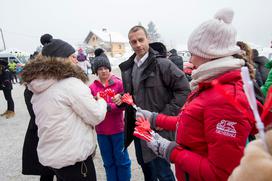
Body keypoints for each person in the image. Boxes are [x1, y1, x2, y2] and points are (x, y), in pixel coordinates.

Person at [136, 8, 263, 181]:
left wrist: (170, 150)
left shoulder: (225, 99)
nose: (191, 60)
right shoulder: (211, 86)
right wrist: (154, 118)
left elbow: (221, 174)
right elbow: (191, 122)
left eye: (194, 53)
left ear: (211, 55)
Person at [21, 34, 107, 181]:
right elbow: (96, 115)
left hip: (54, 159)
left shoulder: (38, 85)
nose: (76, 59)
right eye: (72, 56)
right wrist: (102, 101)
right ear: (61, 59)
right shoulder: (70, 83)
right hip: (74, 158)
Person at [112, 25, 190, 181]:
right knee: (147, 171)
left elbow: (184, 90)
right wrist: (121, 98)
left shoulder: (163, 65)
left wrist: (164, 117)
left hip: (158, 131)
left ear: (148, 39)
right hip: (139, 130)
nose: (138, 44)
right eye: (134, 42)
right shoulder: (130, 67)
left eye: (141, 40)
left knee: (163, 173)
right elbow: (132, 94)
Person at [89, 52, 131, 181]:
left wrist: (108, 107)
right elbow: (90, 107)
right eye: (100, 69)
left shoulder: (118, 84)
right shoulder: (92, 87)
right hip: (101, 131)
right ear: (96, 71)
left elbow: (125, 104)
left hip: (118, 129)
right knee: (108, 161)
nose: (104, 71)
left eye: (106, 68)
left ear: (110, 69)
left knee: (122, 160)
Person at [22, 50, 55, 181]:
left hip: (46, 130)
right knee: (47, 170)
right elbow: (37, 113)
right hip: (42, 131)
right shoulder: (33, 87)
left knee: (50, 171)